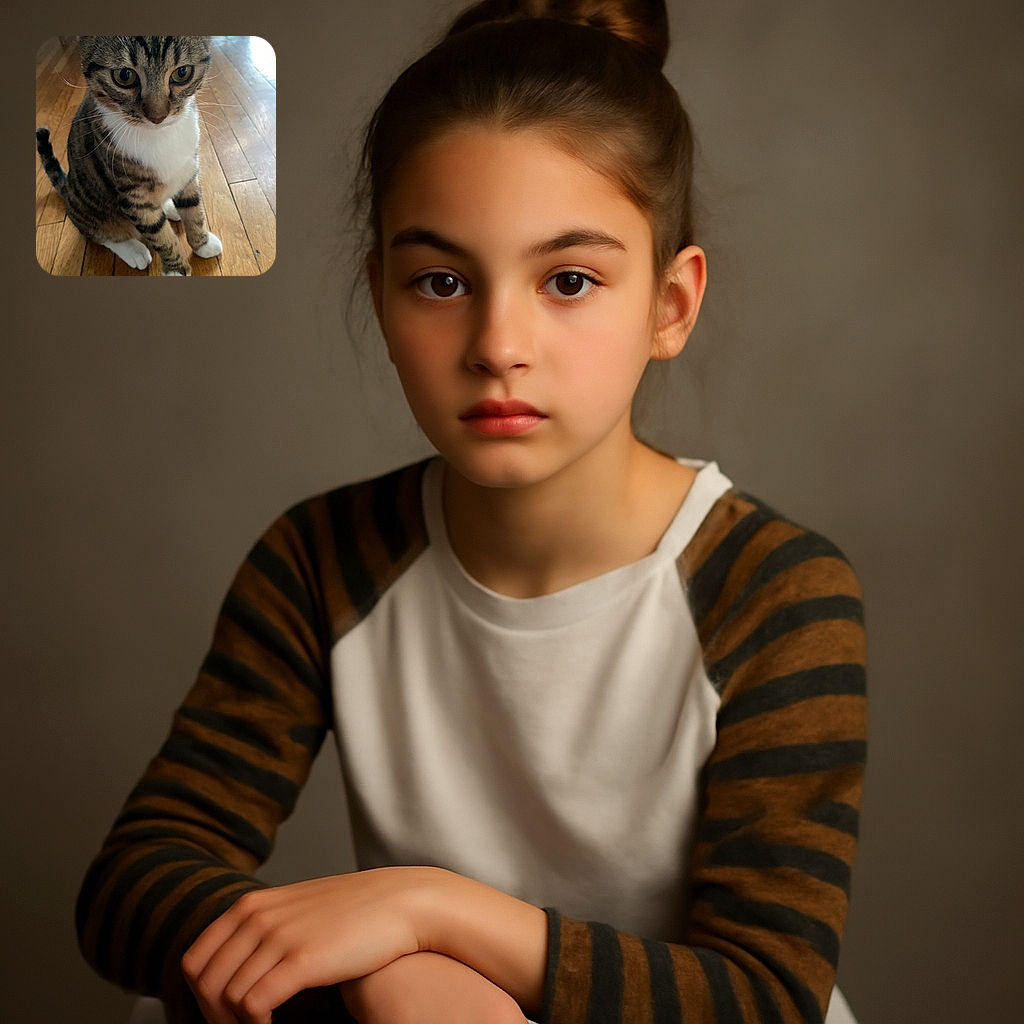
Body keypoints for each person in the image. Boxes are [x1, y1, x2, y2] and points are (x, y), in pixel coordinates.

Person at [76, 1, 867, 1022]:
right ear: (382, 296)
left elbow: (766, 996)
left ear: (669, 305)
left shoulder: (776, 594)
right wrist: (395, 975)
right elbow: (133, 881)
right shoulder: (322, 559)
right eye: (441, 281)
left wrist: (429, 915)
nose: (498, 342)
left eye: (569, 280)